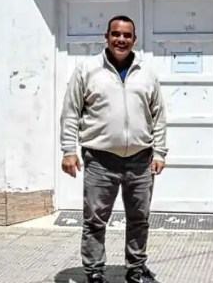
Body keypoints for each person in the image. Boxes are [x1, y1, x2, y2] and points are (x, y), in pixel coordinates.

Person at [60, 15, 167, 283]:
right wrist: (68, 150)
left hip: (140, 160)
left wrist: (160, 152)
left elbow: (158, 115)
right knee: (95, 220)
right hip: (100, 160)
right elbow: (71, 112)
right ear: (106, 37)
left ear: (134, 39)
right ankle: (95, 271)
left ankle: (136, 269)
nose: (121, 39)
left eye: (127, 35)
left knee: (139, 218)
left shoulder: (147, 72)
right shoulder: (87, 70)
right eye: (116, 34)